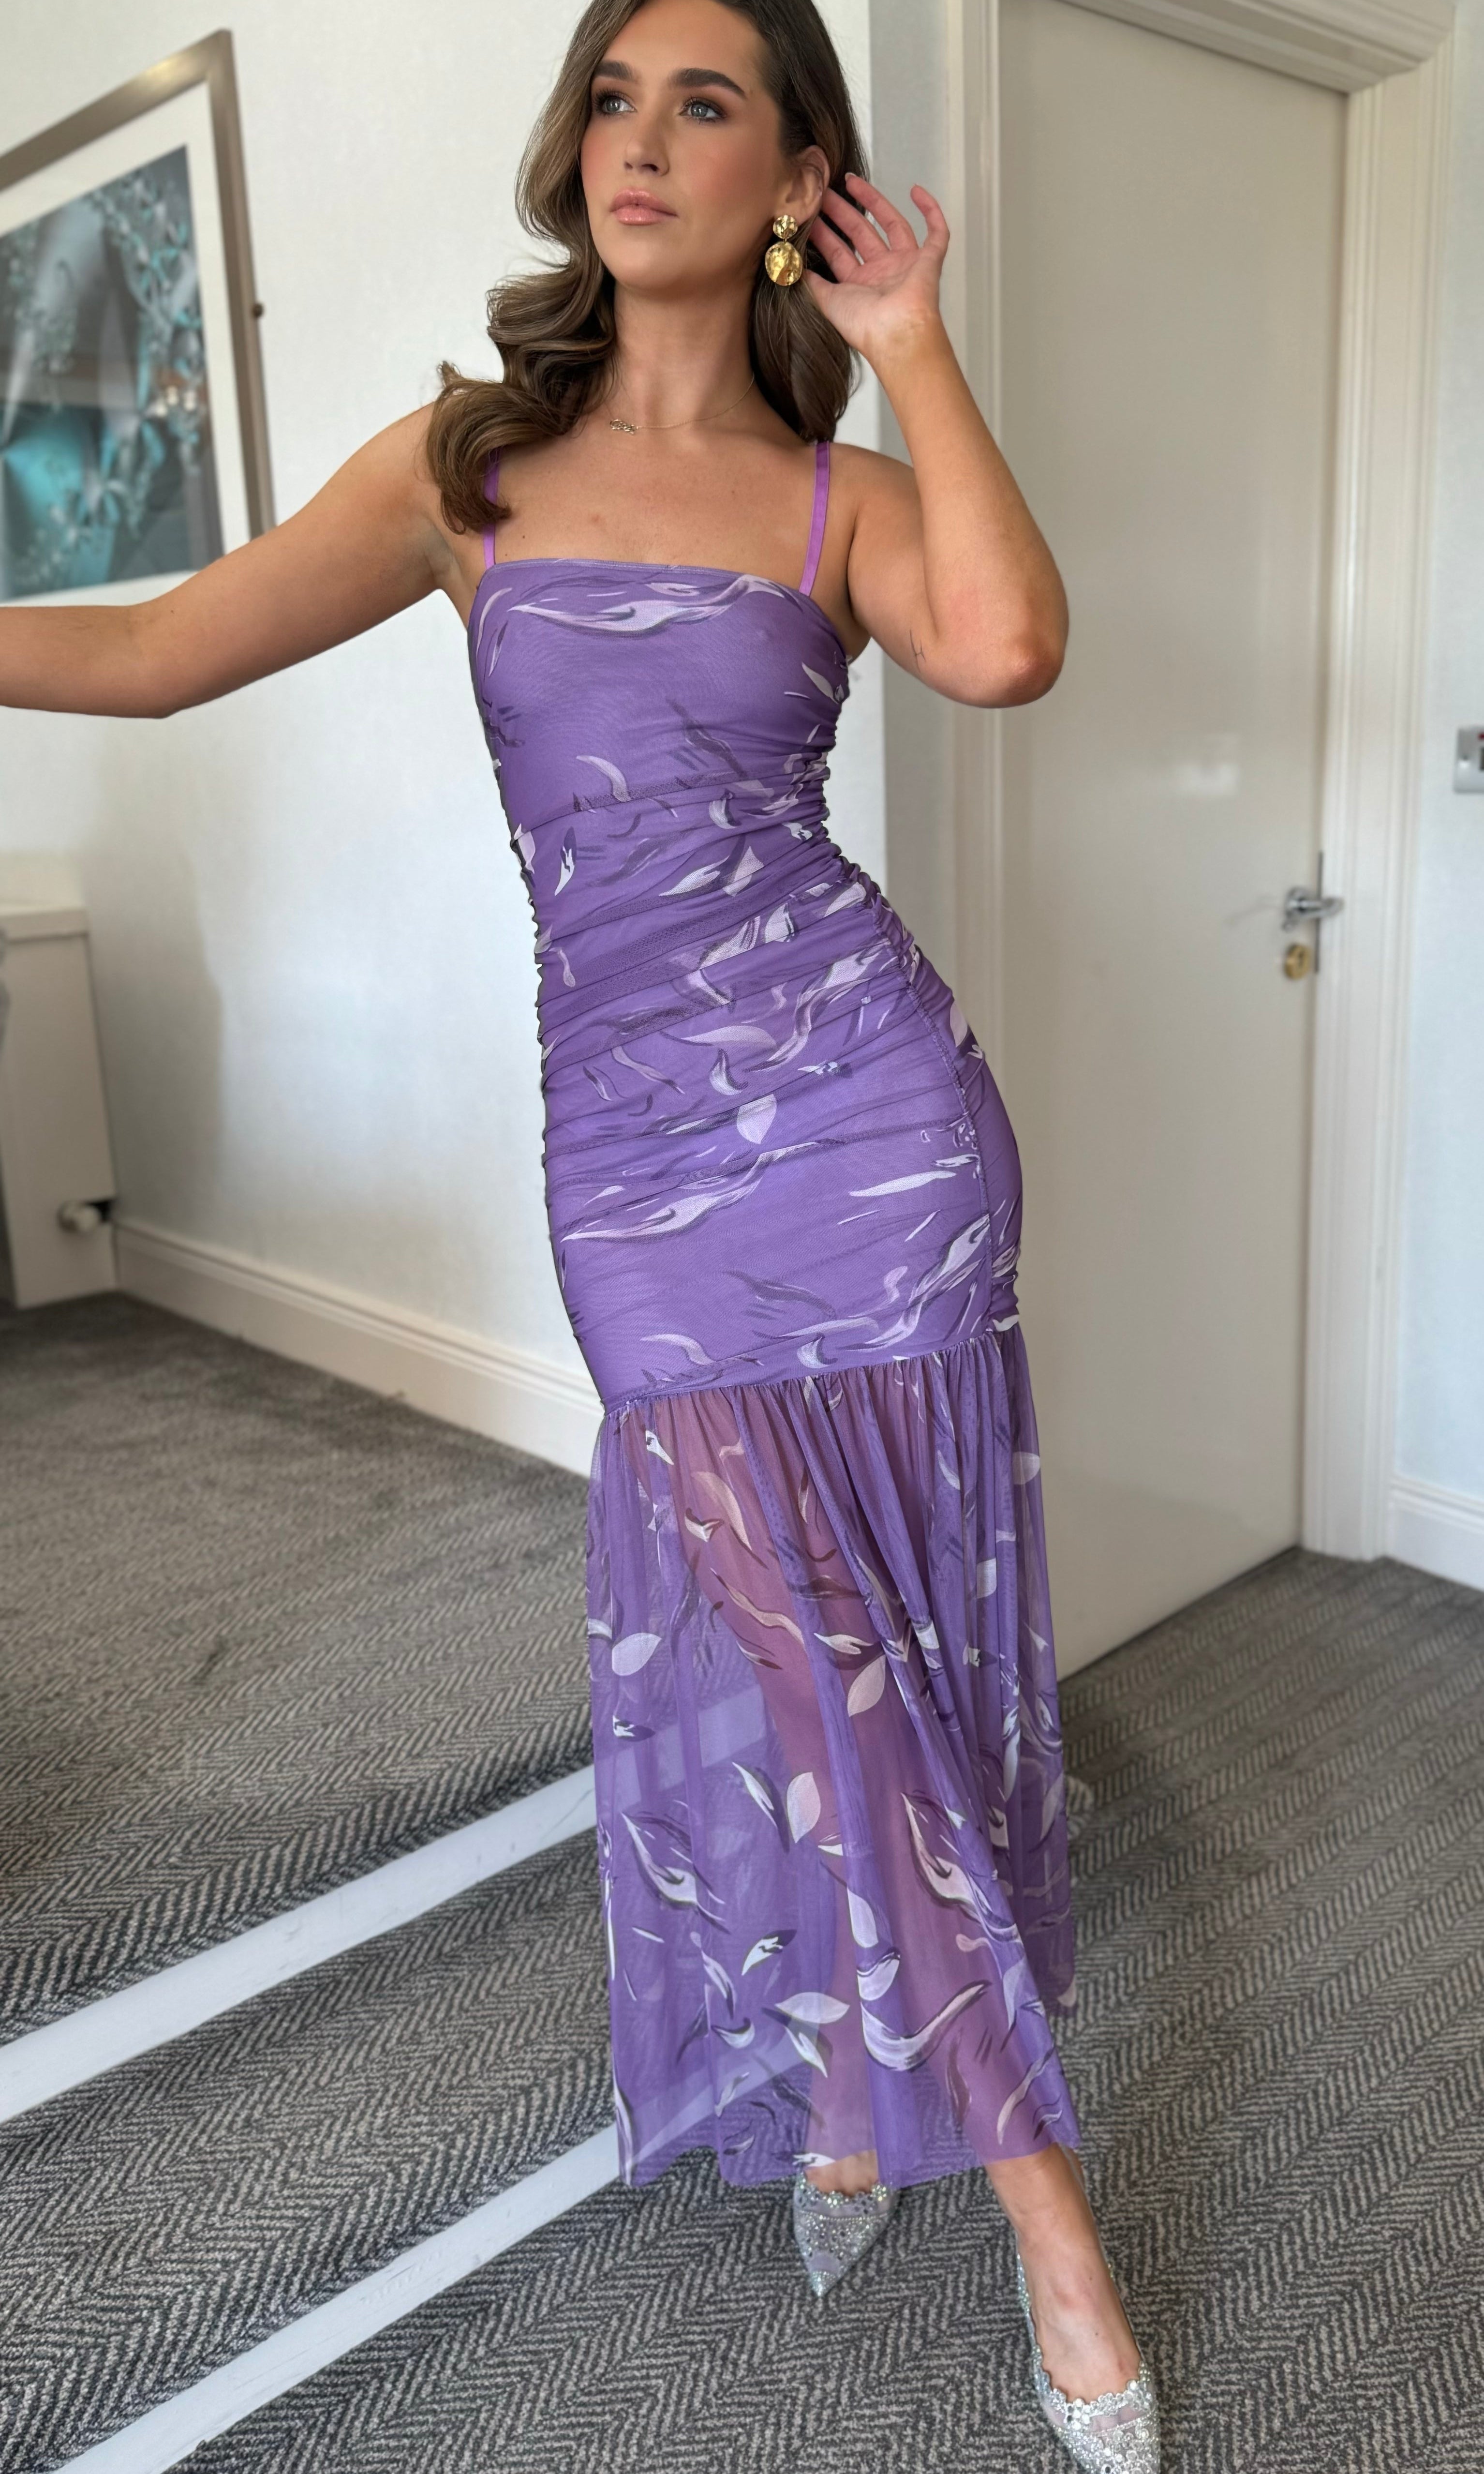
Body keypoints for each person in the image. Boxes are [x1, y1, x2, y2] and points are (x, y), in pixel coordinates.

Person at [0, 1, 1159, 2462]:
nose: (639, 140)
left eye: (704, 101)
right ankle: (1015, 2182)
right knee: (806, 1656)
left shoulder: (837, 495)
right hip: (636, 1171)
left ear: (797, 176)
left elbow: (1008, 645)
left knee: (885, 1652)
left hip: (868, 1126)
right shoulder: (466, 465)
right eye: (613, 95)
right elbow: (149, 655)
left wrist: (909, 340)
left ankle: (943, 2144)